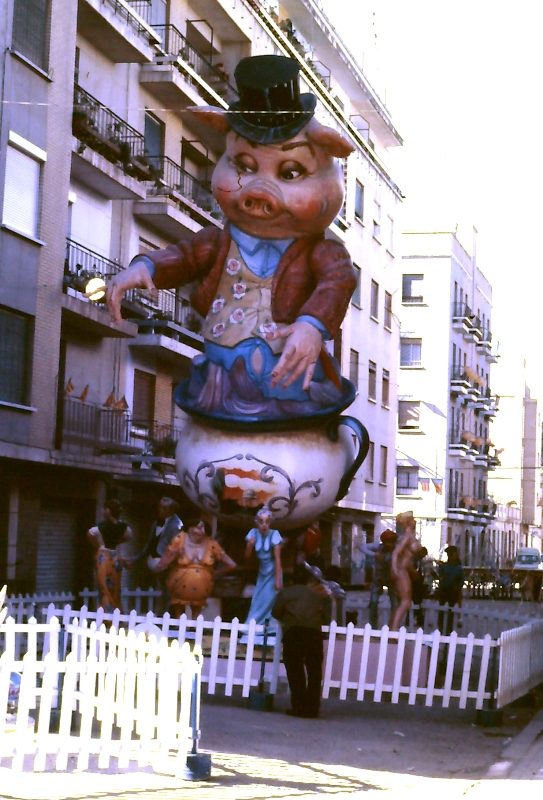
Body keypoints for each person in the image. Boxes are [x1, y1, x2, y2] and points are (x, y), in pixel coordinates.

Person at [272, 564, 331, 718]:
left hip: (294, 633)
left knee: (295, 671)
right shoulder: (319, 595)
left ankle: (299, 706)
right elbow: (327, 617)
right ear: (307, 579)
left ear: (292, 579)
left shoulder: (286, 593)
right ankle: (312, 708)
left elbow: (276, 612)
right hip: (314, 634)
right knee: (314, 671)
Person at [148, 519, 236, 618]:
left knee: (196, 617)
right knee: (179, 615)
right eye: (197, 527)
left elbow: (231, 564)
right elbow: (166, 559)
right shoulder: (180, 539)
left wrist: (215, 573)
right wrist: (158, 567)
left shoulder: (211, 544)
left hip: (202, 590)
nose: (199, 530)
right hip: (178, 586)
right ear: (189, 528)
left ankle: (193, 622)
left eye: (202, 528)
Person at [132, 497, 183, 612]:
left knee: (167, 591)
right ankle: (154, 612)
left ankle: (164, 614)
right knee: (153, 589)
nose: (160, 510)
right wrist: (136, 558)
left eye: (164, 508)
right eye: (159, 507)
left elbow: (176, 547)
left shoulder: (177, 525)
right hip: (152, 561)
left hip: (166, 564)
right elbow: (149, 543)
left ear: (171, 510)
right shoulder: (156, 523)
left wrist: (166, 562)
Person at [86, 498, 133, 613]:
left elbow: (91, 532)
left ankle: (106, 614)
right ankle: (116, 612)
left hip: (103, 556)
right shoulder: (122, 526)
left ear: (108, 511)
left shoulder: (102, 525)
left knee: (104, 588)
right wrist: (118, 541)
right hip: (115, 556)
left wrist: (99, 544)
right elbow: (129, 536)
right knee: (115, 587)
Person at [244, 506, 283, 626]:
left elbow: (277, 559)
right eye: (261, 522)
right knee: (257, 600)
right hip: (262, 572)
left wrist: (278, 580)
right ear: (257, 522)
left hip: (273, 572)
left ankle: (266, 627)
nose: (264, 525)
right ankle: (253, 625)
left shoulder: (274, 534)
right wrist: (250, 545)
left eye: (267, 522)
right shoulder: (253, 533)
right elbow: (246, 557)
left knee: (268, 600)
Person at [389, 511, 426, 631]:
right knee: (406, 602)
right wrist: (394, 568)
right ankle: (394, 629)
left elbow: (408, 557)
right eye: (413, 519)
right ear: (409, 521)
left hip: (405, 570)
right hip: (401, 570)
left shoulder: (410, 535)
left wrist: (412, 571)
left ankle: (393, 627)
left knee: (404, 601)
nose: (415, 521)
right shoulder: (408, 535)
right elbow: (396, 553)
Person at [361, 528, 398, 628]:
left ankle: (393, 626)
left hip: (392, 577)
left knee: (394, 602)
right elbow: (363, 547)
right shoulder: (378, 547)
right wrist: (374, 554)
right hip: (378, 577)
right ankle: (373, 626)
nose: (389, 545)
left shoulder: (397, 548)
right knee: (373, 602)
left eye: (391, 542)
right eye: (387, 542)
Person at [437, 545, 465, 634]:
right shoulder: (445, 566)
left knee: (450, 611)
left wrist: (457, 587)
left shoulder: (458, 568)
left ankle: (448, 629)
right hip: (444, 590)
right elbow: (440, 576)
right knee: (442, 610)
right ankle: (440, 628)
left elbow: (461, 580)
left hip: (453, 591)